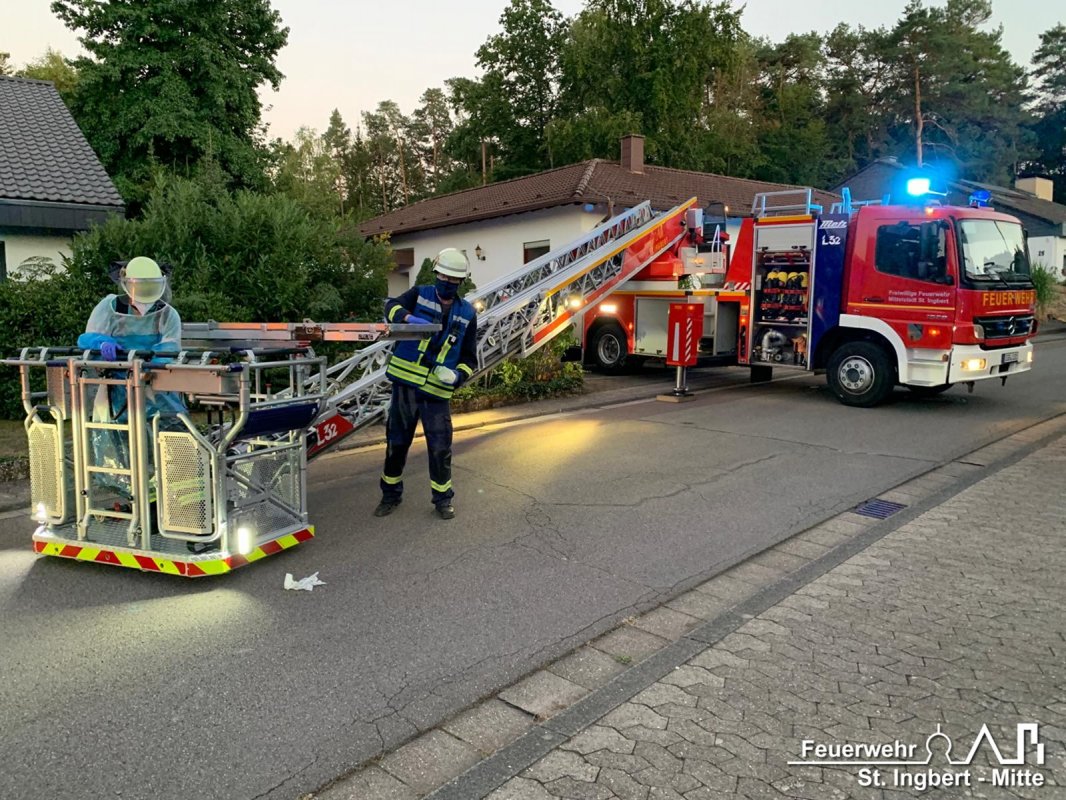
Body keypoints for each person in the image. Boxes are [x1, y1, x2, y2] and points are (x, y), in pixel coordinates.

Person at [376, 248, 478, 520]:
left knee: (440, 449)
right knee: (396, 444)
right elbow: (390, 306)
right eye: (443, 276)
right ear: (436, 274)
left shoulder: (467, 313)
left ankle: (443, 500)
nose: (447, 282)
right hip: (405, 388)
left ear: (460, 282)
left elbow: (469, 358)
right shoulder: (418, 294)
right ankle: (390, 495)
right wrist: (409, 318)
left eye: (453, 279)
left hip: (436, 393)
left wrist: (458, 376)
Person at [76, 257, 186, 496]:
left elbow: (169, 348)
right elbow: (86, 338)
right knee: (121, 446)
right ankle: (134, 497)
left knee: (173, 437)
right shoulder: (109, 307)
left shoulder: (167, 314)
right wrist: (101, 342)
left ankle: (170, 495)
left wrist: (149, 365)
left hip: (157, 387)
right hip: (117, 388)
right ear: (127, 283)